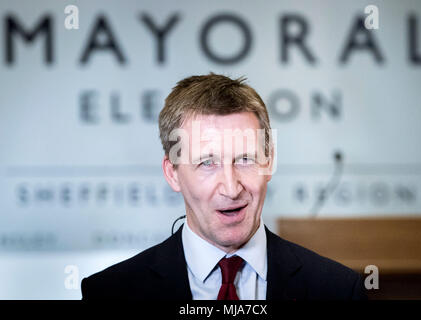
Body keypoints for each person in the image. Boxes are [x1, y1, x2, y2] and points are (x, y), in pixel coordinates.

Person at [81, 74, 367, 300]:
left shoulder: (337, 290)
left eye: (245, 159)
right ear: (173, 173)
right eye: (208, 163)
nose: (231, 189)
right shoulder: (111, 293)